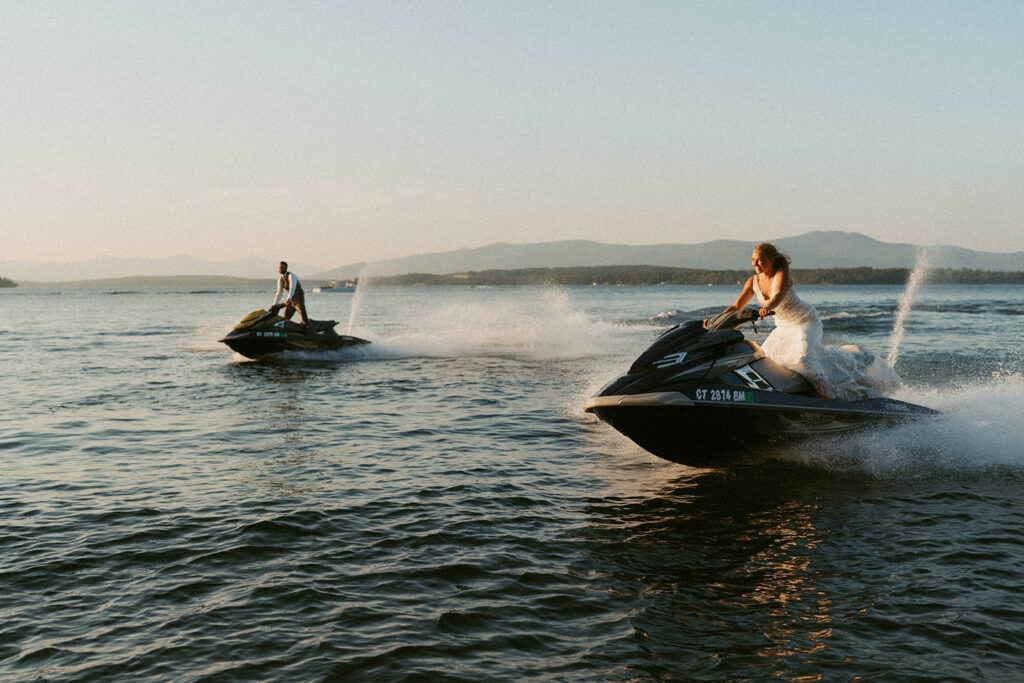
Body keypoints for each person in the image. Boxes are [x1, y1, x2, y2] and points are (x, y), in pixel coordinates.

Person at [707, 243, 899, 400]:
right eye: (753, 260)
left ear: (772, 260)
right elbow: (736, 306)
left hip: (805, 322)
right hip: (784, 327)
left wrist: (767, 308)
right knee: (767, 361)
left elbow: (778, 295)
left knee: (805, 359)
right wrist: (716, 320)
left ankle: (828, 399)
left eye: (761, 260)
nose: (756, 264)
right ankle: (796, 395)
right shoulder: (753, 281)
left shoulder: (782, 273)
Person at [273, 261, 310, 335]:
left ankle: (308, 335)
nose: (280, 269)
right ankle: (285, 335)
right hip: (291, 301)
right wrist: (274, 305)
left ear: (286, 268)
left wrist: (288, 298)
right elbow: (279, 293)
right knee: (285, 319)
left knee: (304, 320)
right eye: (279, 268)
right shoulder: (280, 279)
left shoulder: (291, 276)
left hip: (299, 300)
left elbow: (292, 288)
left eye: (282, 267)